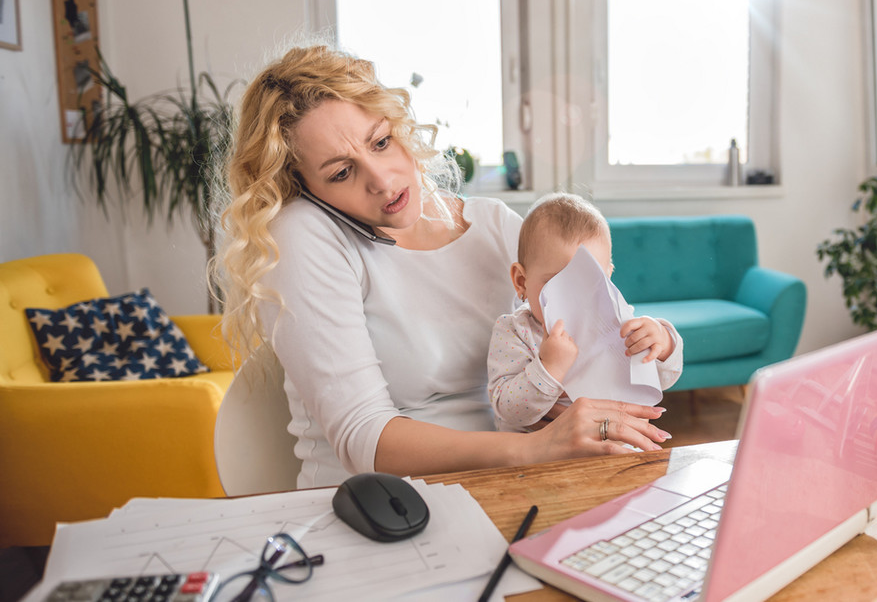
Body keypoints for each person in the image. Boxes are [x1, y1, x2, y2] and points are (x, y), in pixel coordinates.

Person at [215, 45, 670, 488]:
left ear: (399, 128)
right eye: (340, 173)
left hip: (518, 483)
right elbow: (363, 435)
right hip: (384, 506)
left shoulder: (494, 225)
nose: (381, 179)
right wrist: (539, 447)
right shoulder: (305, 233)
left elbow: (605, 338)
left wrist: (643, 353)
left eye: (381, 142)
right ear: (306, 188)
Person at [488, 193, 683, 432]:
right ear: (522, 281)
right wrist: (549, 368)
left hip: (615, 442)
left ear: (608, 278)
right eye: (556, 284)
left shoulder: (618, 323)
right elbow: (508, 410)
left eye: (590, 282)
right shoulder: (516, 331)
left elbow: (664, 379)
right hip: (540, 455)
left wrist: (662, 344)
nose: (574, 298)